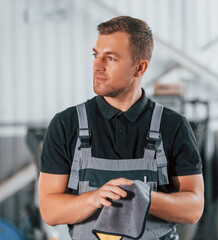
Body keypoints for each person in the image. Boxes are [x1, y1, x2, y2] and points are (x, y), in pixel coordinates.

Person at [38, 16, 204, 240]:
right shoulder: (66, 124)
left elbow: (194, 208)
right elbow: (50, 209)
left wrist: (146, 198)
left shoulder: (172, 126)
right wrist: (94, 198)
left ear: (139, 68)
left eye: (111, 58)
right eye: (96, 55)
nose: (98, 65)